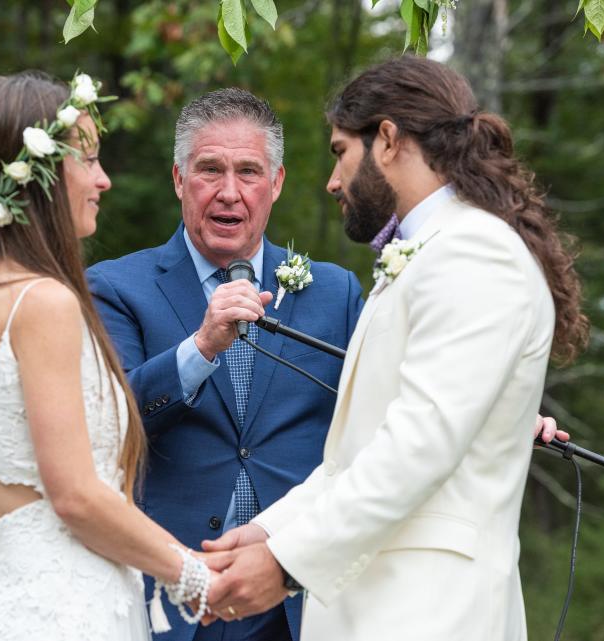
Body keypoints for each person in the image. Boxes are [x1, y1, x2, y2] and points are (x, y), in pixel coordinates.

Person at [202, 56, 589, 641]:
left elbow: (418, 446)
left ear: (386, 139)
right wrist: (269, 532)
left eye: (339, 151)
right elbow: (356, 456)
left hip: (433, 610)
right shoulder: (421, 256)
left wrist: (285, 566)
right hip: (376, 606)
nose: (333, 180)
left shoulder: (476, 252)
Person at [0, 71, 217, 641]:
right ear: (43, 175)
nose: (103, 180)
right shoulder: (43, 302)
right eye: (89, 159)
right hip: (66, 616)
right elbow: (75, 495)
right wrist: (194, 576)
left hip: (22, 605)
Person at [87, 88, 363, 641]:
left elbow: (380, 410)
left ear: (277, 183)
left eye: (249, 171)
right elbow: (110, 425)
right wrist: (202, 346)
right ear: (178, 179)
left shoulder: (336, 291)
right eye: (209, 169)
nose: (229, 192)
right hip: (174, 595)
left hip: (296, 598)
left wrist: (486, 412)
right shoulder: (116, 287)